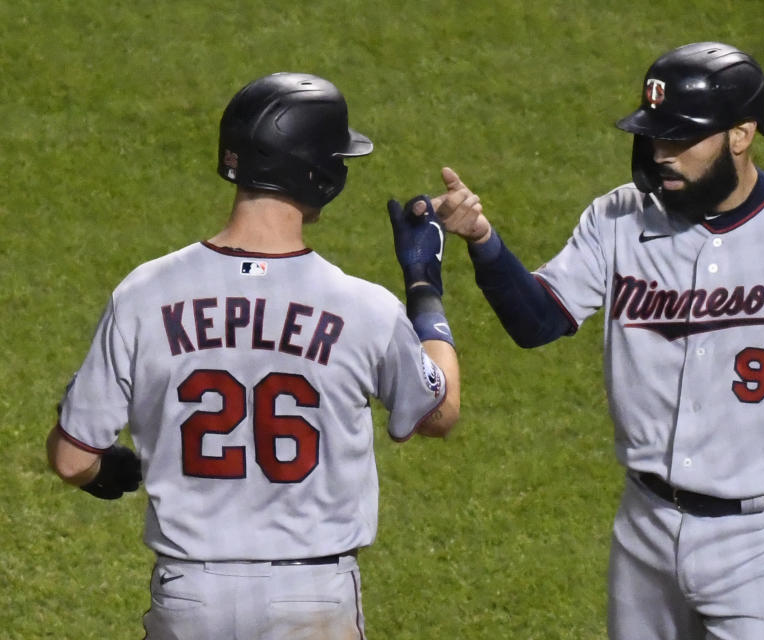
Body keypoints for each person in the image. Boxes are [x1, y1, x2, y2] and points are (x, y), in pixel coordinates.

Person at [430, 42, 764, 639]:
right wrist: (484, 240)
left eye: (681, 139)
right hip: (645, 529)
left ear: (741, 134)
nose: (661, 154)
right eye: (655, 137)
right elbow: (537, 321)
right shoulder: (618, 218)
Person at [46, 72, 460, 640]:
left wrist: (106, 470)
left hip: (190, 595)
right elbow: (439, 411)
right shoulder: (364, 307)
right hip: (313, 599)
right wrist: (423, 285)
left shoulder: (144, 293)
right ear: (321, 173)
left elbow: (72, 459)